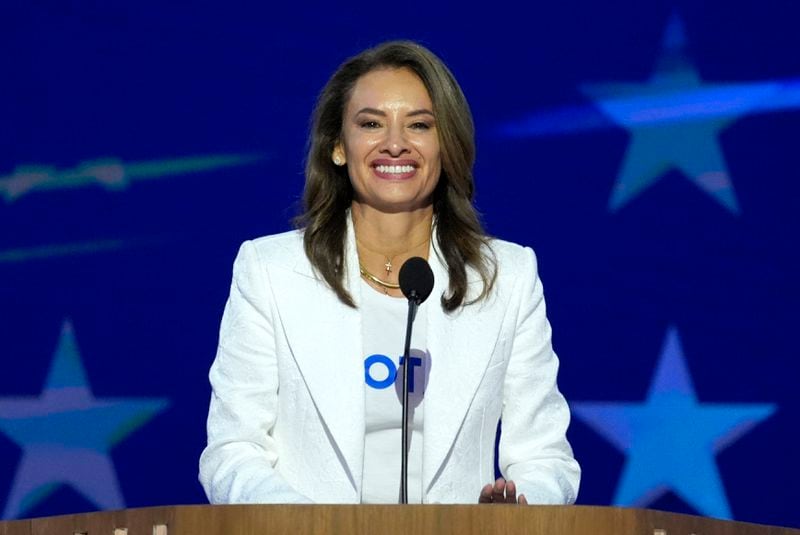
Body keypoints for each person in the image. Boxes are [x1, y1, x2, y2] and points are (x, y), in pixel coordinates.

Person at [199, 40, 580, 505]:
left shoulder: (507, 277)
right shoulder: (271, 271)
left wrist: (516, 512)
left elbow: (546, 459)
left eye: (419, 125)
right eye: (371, 124)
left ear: (448, 147)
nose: (395, 143)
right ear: (338, 146)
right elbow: (232, 451)